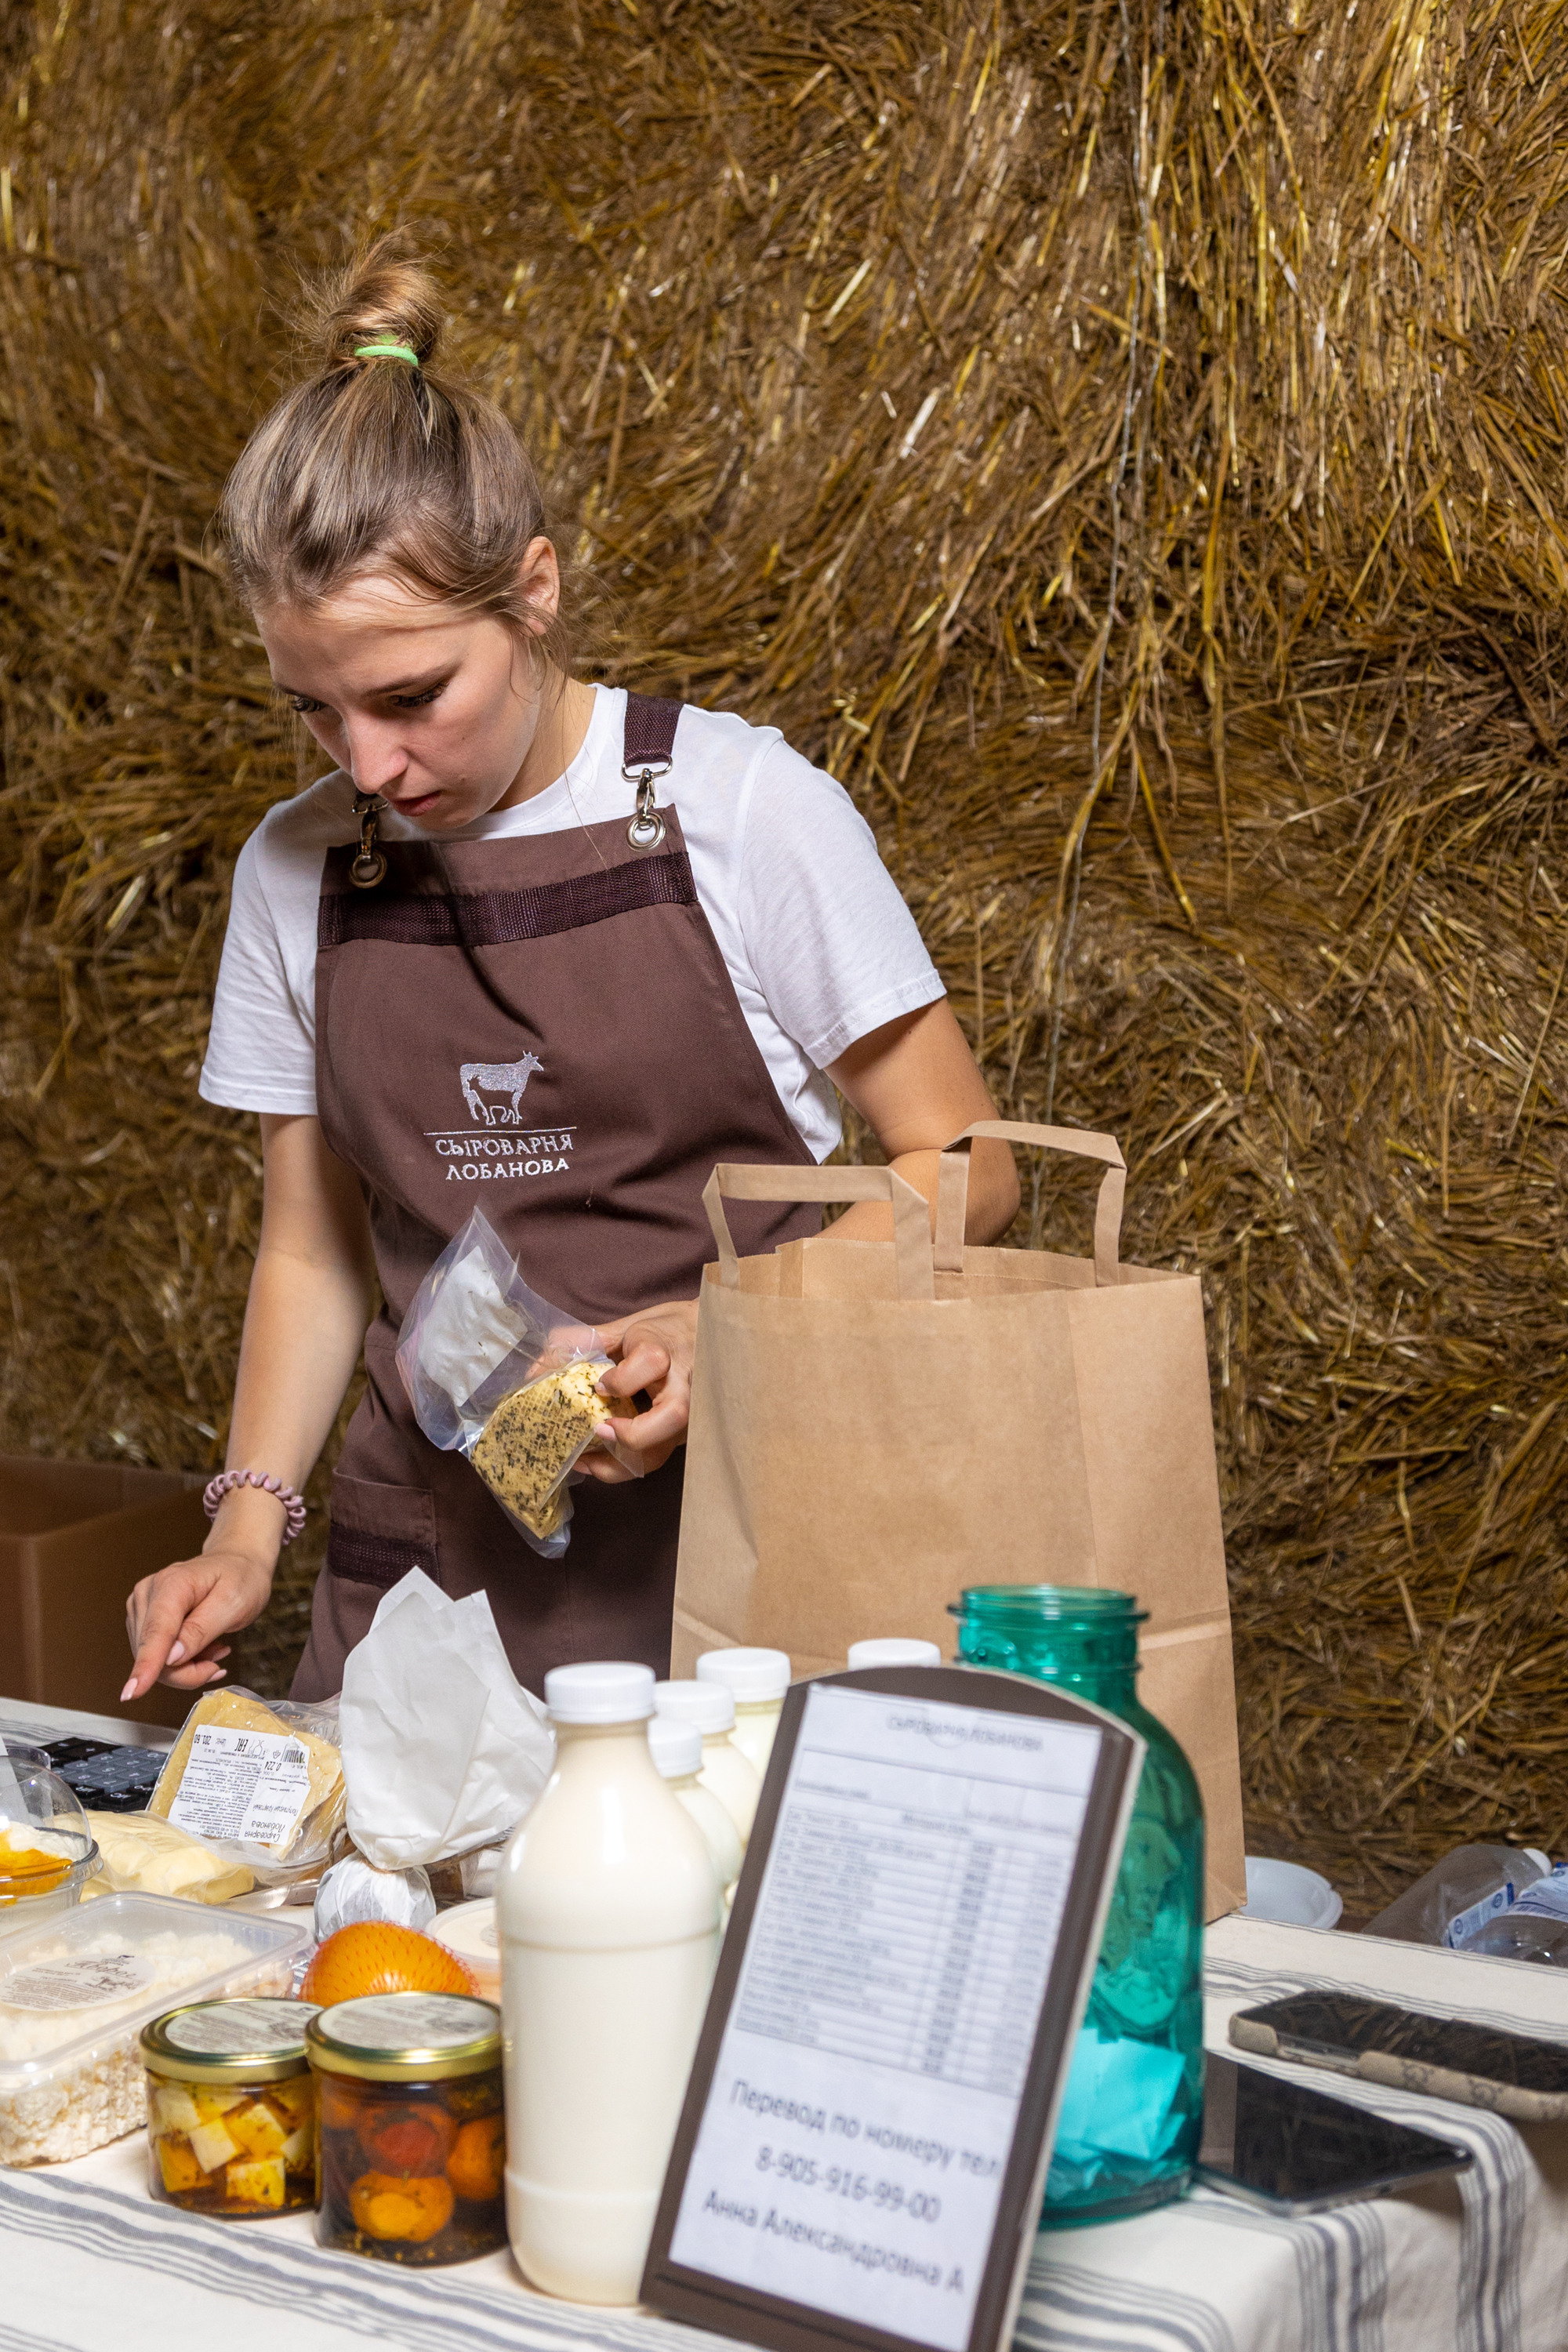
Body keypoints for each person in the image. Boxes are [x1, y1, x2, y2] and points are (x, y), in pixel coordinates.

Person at [122, 238, 1019, 1708]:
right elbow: (315, 1247)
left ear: (532, 592)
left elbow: (973, 1165)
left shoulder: (742, 809)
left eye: (414, 696)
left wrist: (721, 1326)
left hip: (735, 1577)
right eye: (315, 710)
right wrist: (246, 1528)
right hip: (431, 1596)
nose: (370, 767)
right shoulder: (293, 869)